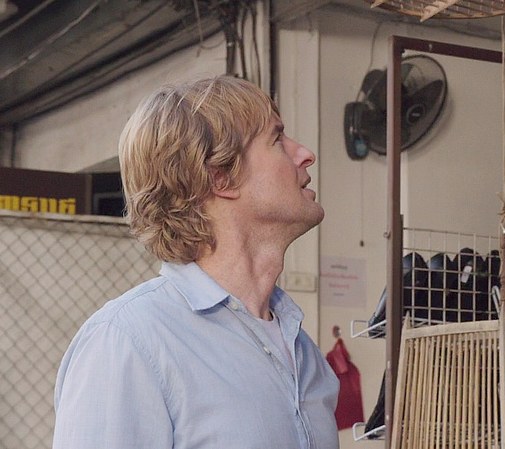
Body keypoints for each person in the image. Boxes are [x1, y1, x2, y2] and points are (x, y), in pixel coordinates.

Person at [53, 75, 339, 449]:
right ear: (221, 177)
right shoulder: (128, 341)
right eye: (277, 139)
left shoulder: (302, 350)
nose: (305, 154)